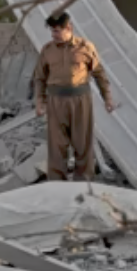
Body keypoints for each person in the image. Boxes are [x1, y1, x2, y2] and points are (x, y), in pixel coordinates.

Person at [32, 12, 115, 181]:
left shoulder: (85, 47)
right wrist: (39, 102)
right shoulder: (47, 50)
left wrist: (107, 98)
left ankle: (84, 184)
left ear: (68, 28)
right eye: (52, 31)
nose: (53, 35)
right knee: (56, 145)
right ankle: (57, 184)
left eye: (57, 31)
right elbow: (40, 78)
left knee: (82, 143)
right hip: (56, 102)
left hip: (80, 100)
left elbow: (100, 75)